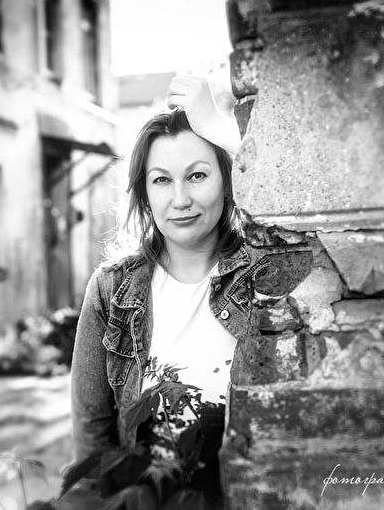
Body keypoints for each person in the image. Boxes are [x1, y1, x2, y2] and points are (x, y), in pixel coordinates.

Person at [68, 75, 269, 504]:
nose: (180, 199)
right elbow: (93, 439)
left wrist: (220, 131)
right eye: (161, 180)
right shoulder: (111, 290)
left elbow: (304, 195)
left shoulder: (266, 273)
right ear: (144, 192)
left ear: (227, 181)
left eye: (197, 175)